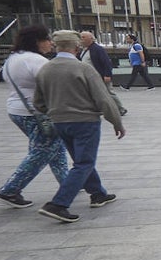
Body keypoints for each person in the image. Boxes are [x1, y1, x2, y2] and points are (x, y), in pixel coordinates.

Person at [34, 30, 125, 223]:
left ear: (57, 46)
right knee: (84, 162)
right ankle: (59, 204)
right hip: (85, 121)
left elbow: (38, 103)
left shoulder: (45, 69)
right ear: (77, 48)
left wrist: (55, 110)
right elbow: (103, 99)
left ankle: (98, 193)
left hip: (59, 122)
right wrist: (116, 122)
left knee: (81, 159)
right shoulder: (83, 69)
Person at [0, 24, 68, 208]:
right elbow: (55, 85)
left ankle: (69, 183)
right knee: (42, 151)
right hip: (36, 112)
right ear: (37, 41)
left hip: (17, 109)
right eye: (47, 40)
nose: (51, 43)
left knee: (55, 148)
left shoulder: (13, 58)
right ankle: (10, 189)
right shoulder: (36, 60)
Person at [80, 31, 126, 116]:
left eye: (83, 37)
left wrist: (107, 75)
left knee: (108, 92)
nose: (81, 39)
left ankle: (120, 108)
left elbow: (106, 62)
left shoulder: (97, 49)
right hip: (89, 77)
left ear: (90, 38)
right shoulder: (84, 50)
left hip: (99, 75)